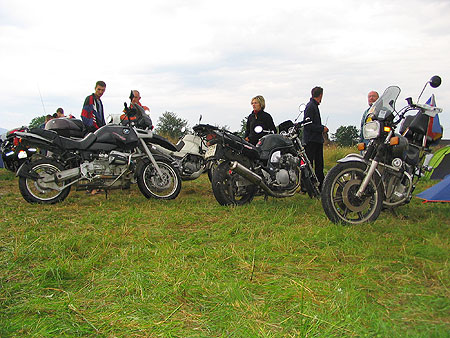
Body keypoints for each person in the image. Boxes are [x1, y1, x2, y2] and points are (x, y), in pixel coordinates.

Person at [302, 86, 328, 191]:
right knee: (311, 165)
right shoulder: (311, 106)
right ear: (320, 95)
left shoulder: (313, 106)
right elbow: (308, 125)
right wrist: (322, 128)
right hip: (312, 140)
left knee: (317, 165)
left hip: (315, 140)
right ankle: (308, 186)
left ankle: (318, 185)